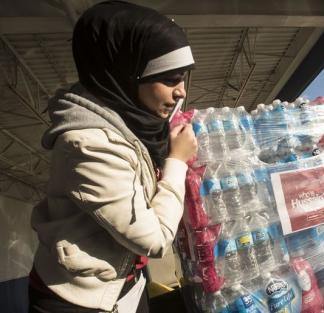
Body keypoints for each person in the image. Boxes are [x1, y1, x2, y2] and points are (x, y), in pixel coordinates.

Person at [28, 1, 197, 312]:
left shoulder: (132, 122)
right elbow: (155, 239)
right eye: (171, 79)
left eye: (183, 77)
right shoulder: (87, 145)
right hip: (79, 301)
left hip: (126, 284)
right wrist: (176, 162)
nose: (182, 92)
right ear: (126, 74)